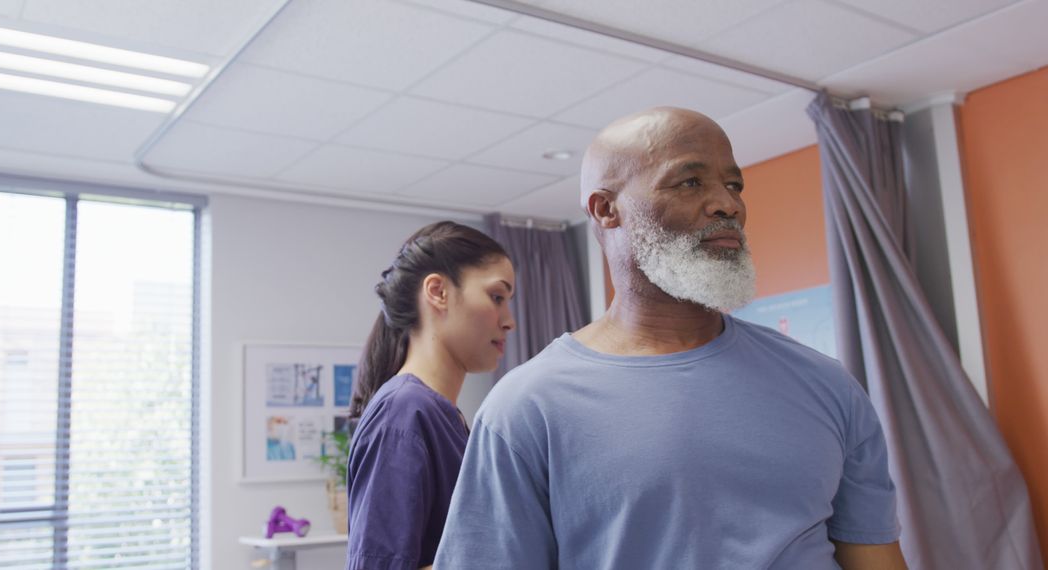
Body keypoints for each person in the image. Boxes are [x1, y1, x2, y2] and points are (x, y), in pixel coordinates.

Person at [435, 108, 906, 570]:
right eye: (690, 182)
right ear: (606, 209)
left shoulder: (825, 384)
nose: (728, 204)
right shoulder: (526, 408)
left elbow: (875, 558)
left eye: (734, 184)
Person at [345, 221, 516, 570]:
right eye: (497, 297)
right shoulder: (403, 413)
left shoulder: (442, 417)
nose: (509, 320)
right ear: (438, 291)